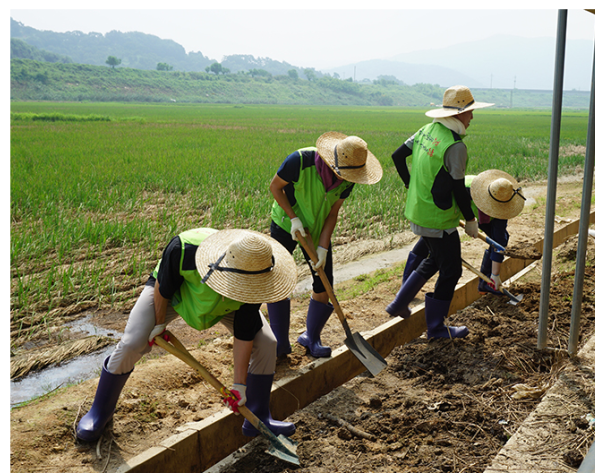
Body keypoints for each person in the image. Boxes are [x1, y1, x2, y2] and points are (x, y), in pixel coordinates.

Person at [76, 228, 298, 443]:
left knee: (267, 343)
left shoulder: (256, 276)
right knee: (133, 341)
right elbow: (163, 287)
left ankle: (258, 418)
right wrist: (159, 324)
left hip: (227, 305)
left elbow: (244, 332)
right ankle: (100, 412)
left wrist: (239, 385)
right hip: (176, 294)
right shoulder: (185, 249)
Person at [385, 85, 492, 339]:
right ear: (457, 115)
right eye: (470, 112)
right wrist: (470, 219)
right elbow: (457, 187)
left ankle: (399, 303)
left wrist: (410, 186)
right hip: (438, 218)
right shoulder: (455, 146)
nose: (472, 117)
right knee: (452, 270)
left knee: (435, 259)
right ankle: (435, 327)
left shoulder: (427, 130)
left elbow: (398, 156)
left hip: (418, 210)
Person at [268, 132, 383, 358]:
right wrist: (293, 218)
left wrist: (323, 247)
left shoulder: (348, 180)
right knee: (279, 279)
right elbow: (275, 187)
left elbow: (333, 212)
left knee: (324, 283)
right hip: (285, 223)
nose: (348, 179)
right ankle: (280, 343)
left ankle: (311, 337)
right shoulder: (300, 161)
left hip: (318, 227)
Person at [399, 169, 525, 295]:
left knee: (499, 239)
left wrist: (495, 275)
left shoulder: (504, 202)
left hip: (480, 215)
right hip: (450, 206)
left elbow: (499, 240)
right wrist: (469, 222)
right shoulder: (465, 188)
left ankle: (486, 282)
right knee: (432, 238)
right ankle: (407, 282)